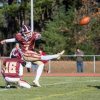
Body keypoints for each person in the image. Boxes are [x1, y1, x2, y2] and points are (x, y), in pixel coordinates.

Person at [0, 24, 65, 87]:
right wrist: (5, 41)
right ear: (23, 33)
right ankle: (56, 56)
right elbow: (15, 39)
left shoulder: (33, 35)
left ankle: (36, 80)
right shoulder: (19, 36)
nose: (29, 34)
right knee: (42, 57)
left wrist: (39, 36)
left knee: (41, 64)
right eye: (27, 33)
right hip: (26, 54)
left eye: (29, 32)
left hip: (30, 53)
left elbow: (39, 36)